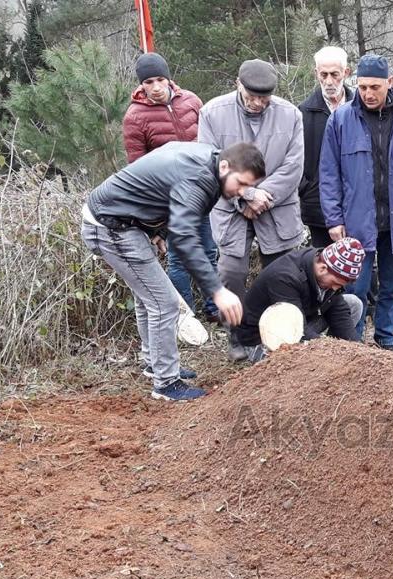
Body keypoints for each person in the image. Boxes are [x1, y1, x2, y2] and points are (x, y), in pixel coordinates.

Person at [81, 142, 266, 401]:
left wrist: (156, 230)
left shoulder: (210, 161)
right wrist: (217, 291)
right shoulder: (199, 178)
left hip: (122, 220)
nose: (243, 193)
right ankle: (166, 383)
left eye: (249, 187)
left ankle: (153, 363)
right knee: (164, 303)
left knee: (148, 297)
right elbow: (185, 238)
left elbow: (162, 188)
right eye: (242, 183)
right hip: (110, 226)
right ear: (225, 166)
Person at [319, 54, 393, 352]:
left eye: (375, 87)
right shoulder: (341, 120)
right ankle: (353, 343)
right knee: (355, 287)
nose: (368, 94)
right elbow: (329, 174)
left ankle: (386, 339)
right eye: (362, 87)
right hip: (358, 222)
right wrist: (334, 219)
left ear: (390, 82)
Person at [198, 59, 305, 357]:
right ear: (238, 84)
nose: (258, 103)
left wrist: (263, 196)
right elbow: (211, 164)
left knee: (281, 275)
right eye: (252, 96)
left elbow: (294, 166)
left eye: (264, 98)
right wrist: (245, 195)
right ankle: (238, 335)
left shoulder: (291, 115)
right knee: (231, 273)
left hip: (277, 208)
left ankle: (278, 339)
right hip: (230, 208)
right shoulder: (212, 113)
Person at [121, 53, 219, 322]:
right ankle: (185, 317)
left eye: (160, 79)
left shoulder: (191, 101)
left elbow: (210, 143)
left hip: (202, 191)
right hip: (170, 200)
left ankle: (214, 310)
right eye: (148, 82)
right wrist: (153, 216)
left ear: (168, 78)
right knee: (178, 259)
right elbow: (138, 168)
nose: (155, 87)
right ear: (141, 85)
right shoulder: (135, 117)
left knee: (209, 250)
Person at [231, 238, 365, 361]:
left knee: (353, 303)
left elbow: (338, 312)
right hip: (263, 337)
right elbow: (294, 328)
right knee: (295, 366)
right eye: (335, 283)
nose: (335, 288)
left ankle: (331, 357)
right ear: (323, 268)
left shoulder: (322, 266)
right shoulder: (284, 277)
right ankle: (324, 359)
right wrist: (327, 350)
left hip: (302, 320)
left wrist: (359, 352)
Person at [298, 46, 354, 248]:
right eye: (324, 75)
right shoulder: (303, 113)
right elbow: (295, 158)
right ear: (316, 74)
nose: (329, 81)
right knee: (323, 262)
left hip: (358, 204)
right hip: (317, 206)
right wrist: (306, 187)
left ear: (346, 73)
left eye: (334, 74)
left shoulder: (361, 109)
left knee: (359, 261)